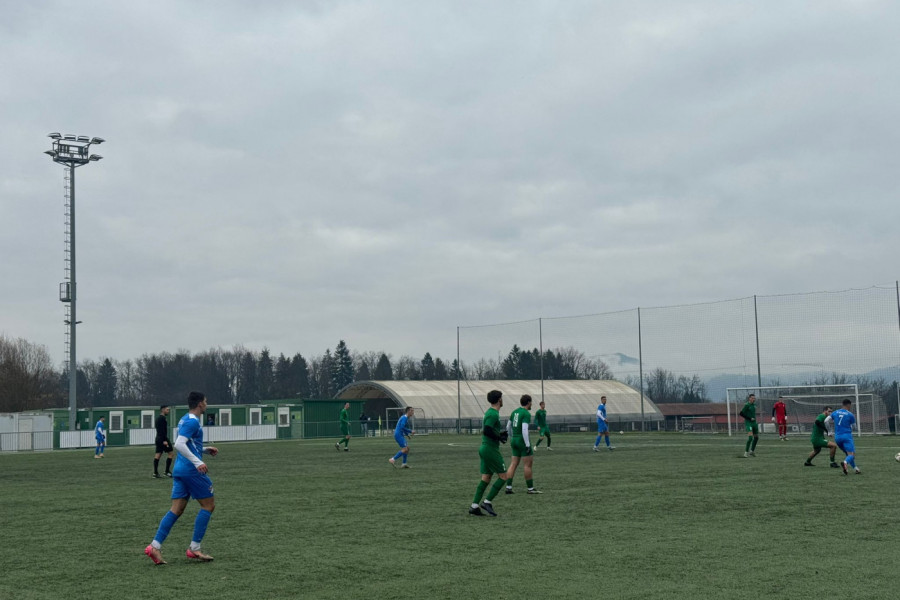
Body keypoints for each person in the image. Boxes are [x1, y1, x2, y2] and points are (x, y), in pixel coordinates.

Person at [145, 391, 219, 565]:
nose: (206, 404)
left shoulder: (185, 419)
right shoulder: (193, 421)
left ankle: (155, 546)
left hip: (180, 469)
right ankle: (194, 548)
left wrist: (204, 450)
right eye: (206, 401)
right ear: (200, 404)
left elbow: (188, 443)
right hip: (191, 470)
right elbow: (179, 444)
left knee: (176, 509)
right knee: (208, 505)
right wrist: (197, 462)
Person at [469, 390, 510, 517]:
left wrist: (499, 434)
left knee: (486, 478)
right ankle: (487, 502)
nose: (502, 400)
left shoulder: (490, 412)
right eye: (501, 398)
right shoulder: (493, 414)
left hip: (485, 448)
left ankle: (474, 506)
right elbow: (487, 430)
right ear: (499, 400)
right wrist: (499, 437)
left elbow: (489, 430)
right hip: (490, 449)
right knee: (504, 476)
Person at [504, 395, 541, 495]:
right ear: (528, 402)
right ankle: (530, 489)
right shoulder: (526, 413)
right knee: (527, 465)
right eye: (531, 402)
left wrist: (511, 437)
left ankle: (508, 487)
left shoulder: (514, 412)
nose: (531, 404)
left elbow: (508, 426)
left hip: (514, 439)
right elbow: (524, 429)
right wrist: (527, 444)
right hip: (522, 440)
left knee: (513, 464)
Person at [827, 398, 860, 475]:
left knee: (848, 454)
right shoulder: (850, 414)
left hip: (837, 437)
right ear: (849, 405)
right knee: (851, 455)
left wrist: (829, 431)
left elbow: (826, 421)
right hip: (846, 437)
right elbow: (854, 427)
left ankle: (856, 469)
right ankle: (845, 463)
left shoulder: (835, 412)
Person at [154, 405, 175, 478]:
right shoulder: (162, 419)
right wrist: (164, 440)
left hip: (158, 438)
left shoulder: (158, 418)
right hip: (162, 438)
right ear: (162, 410)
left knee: (158, 454)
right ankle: (166, 471)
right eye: (167, 410)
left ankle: (155, 473)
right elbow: (162, 430)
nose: (168, 411)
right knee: (171, 453)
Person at [739, 394, 759, 458]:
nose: (754, 399)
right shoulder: (747, 405)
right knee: (750, 438)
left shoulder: (754, 405)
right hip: (749, 423)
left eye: (754, 398)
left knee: (756, 437)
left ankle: (752, 451)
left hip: (754, 423)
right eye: (752, 398)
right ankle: (745, 453)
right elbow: (741, 413)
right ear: (749, 398)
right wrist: (749, 418)